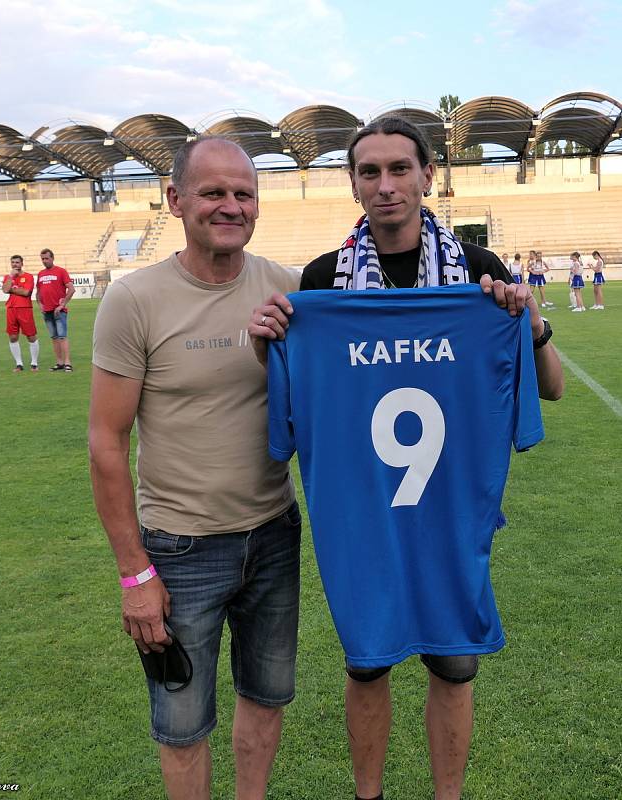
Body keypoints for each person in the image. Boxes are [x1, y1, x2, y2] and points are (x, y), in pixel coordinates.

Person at [249, 116, 563, 800]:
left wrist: (526, 320)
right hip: (361, 515)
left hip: (448, 513)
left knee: (452, 665)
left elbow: (552, 387)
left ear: (427, 176)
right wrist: (267, 342)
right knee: (368, 664)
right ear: (353, 183)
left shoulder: (477, 274)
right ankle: (370, 796)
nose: (385, 185)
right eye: (369, 171)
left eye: (399, 169)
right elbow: (291, 403)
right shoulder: (322, 283)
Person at [88, 137, 302, 800]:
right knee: (181, 726)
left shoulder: (289, 289)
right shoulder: (135, 300)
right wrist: (135, 574)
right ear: (176, 200)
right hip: (179, 549)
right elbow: (105, 441)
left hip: (273, 532)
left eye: (243, 193)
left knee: (266, 698)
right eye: (213, 192)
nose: (230, 206)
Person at [36, 248, 75, 371]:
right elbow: (38, 292)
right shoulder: (40, 274)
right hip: (46, 311)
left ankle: (68, 362)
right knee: (54, 337)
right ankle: (59, 363)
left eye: (47, 258)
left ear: (52, 258)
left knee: (62, 336)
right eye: (42, 259)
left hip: (58, 311)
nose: (44, 261)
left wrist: (62, 304)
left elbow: (71, 289)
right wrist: (39, 304)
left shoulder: (61, 271)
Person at [2, 254, 39, 373]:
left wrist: (12, 290)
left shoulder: (28, 277)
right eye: (13, 262)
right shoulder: (8, 277)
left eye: (17, 262)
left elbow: (26, 292)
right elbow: (5, 289)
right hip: (11, 308)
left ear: (22, 263)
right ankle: (19, 364)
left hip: (25, 308)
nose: (15, 264)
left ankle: (34, 363)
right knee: (13, 337)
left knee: (31, 336)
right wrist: (10, 278)